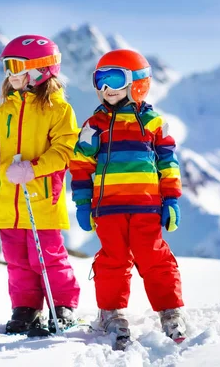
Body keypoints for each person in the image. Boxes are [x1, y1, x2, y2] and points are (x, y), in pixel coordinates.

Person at [69, 49, 186, 346]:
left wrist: (171, 199)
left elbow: (168, 162)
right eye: (100, 80)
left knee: (154, 257)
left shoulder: (153, 121)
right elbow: (81, 165)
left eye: (114, 79)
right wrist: (83, 202)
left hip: (147, 205)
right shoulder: (94, 124)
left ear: (137, 83)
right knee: (113, 260)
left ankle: (170, 310)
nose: (105, 88)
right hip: (108, 208)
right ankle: (111, 312)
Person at [0, 35, 80, 334]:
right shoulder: (4, 110)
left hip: (41, 199)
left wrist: (33, 169)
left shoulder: (58, 110)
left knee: (48, 258)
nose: (10, 73)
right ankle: (26, 308)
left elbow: (64, 151)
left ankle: (63, 306)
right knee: (17, 262)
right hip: (9, 201)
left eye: (16, 65)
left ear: (41, 69)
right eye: (7, 66)